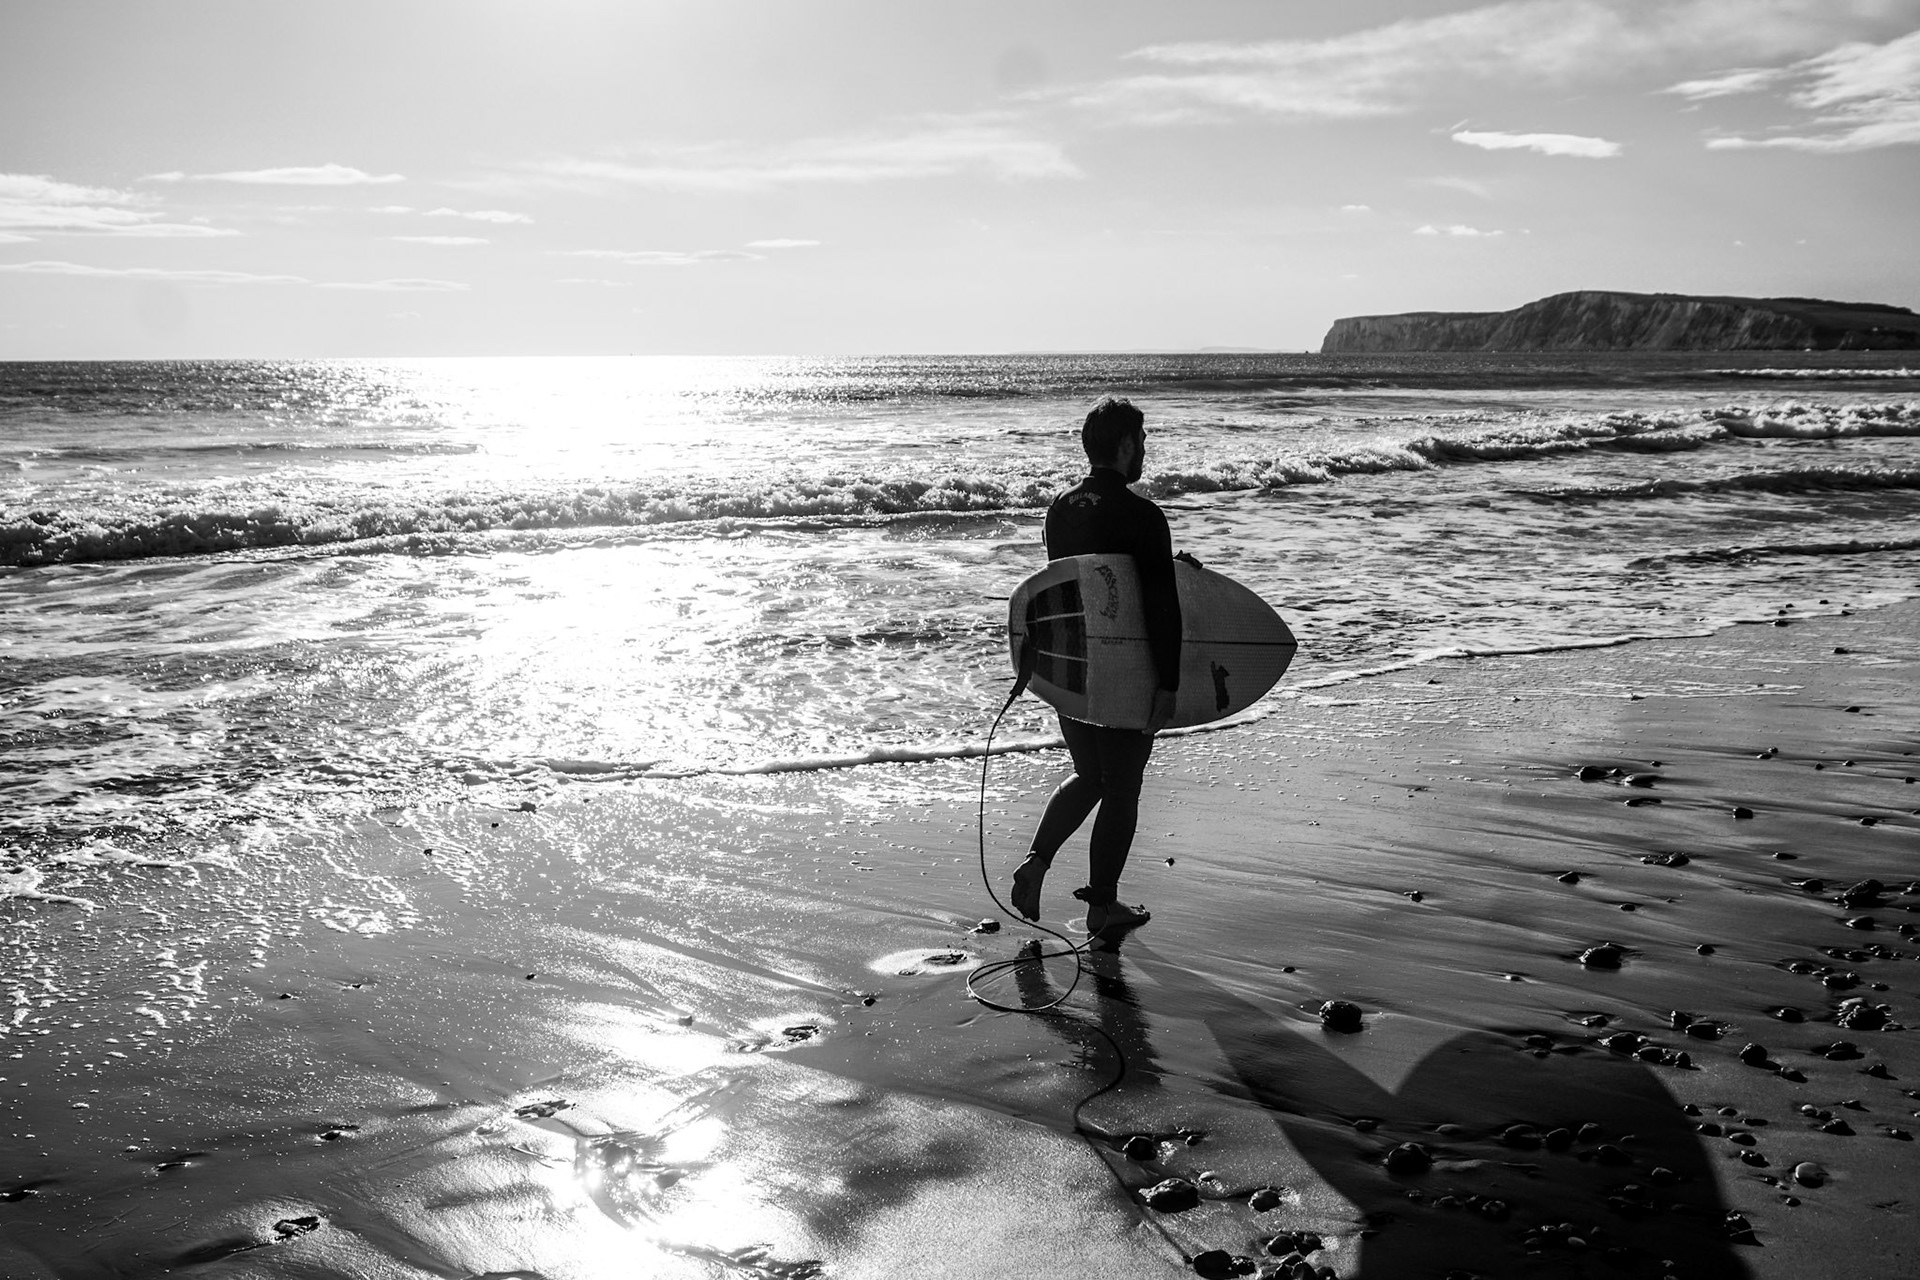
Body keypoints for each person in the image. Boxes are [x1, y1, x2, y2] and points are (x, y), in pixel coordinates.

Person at [1011, 396, 1186, 942]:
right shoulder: (1142, 515)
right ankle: (1102, 905)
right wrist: (1169, 682)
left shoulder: (1061, 508)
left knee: (1091, 774)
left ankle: (1035, 864)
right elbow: (1159, 605)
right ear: (1127, 445)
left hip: (1072, 668)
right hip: (1127, 671)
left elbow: (1076, 587)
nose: (1145, 452)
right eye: (1143, 441)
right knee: (1123, 786)